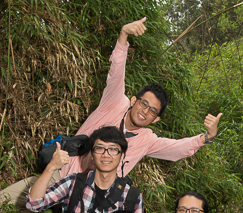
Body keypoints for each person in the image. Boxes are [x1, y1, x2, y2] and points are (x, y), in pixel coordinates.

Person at [57, 17, 221, 180]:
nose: (145, 111)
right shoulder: (115, 102)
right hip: (60, 175)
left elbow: (177, 148)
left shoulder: (147, 140)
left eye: (152, 111)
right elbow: (116, 73)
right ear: (134, 100)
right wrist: (124, 35)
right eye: (144, 103)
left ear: (155, 119)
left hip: (93, 199)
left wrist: (207, 137)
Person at [27, 126, 144, 213]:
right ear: (92, 155)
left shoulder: (132, 196)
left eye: (113, 149)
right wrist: (51, 167)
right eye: (100, 148)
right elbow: (34, 204)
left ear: (122, 155)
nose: (106, 154)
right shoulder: (74, 182)